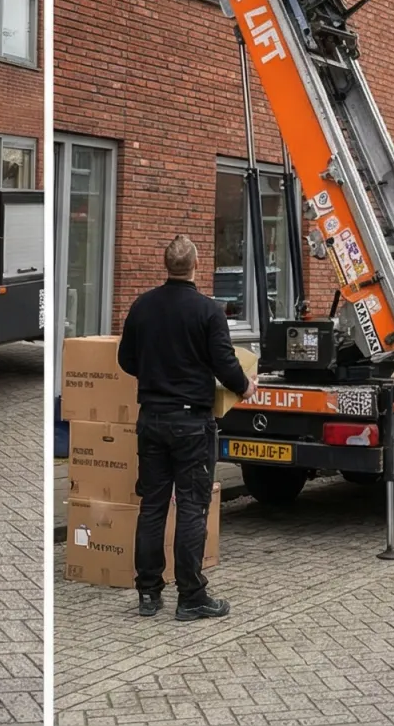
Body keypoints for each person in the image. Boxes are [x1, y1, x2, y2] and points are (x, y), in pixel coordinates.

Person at [116, 233, 252, 621]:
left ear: (166, 265)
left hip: (151, 419)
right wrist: (245, 385)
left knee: (152, 505)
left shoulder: (142, 306)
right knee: (192, 507)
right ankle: (191, 596)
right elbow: (225, 363)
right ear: (196, 265)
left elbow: (126, 359)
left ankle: (148, 592)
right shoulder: (208, 311)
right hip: (192, 423)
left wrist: (155, 374)